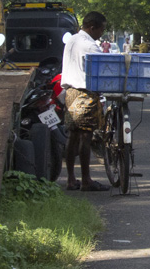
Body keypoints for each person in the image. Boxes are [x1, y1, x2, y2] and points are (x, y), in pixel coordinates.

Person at [61, 11, 110, 192]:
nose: (101, 34)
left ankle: (71, 179)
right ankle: (87, 179)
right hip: (85, 94)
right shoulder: (90, 46)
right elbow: (102, 70)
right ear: (92, 27)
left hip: (70, 92)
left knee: (73, 135)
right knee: (86, 136)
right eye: (101, 29)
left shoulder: (71, 40)